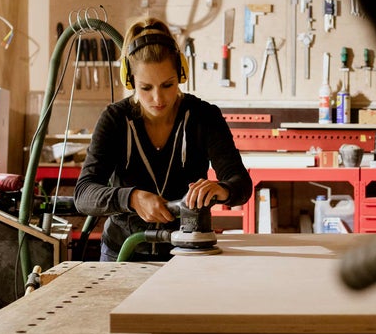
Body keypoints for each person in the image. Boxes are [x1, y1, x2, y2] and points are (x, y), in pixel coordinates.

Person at [74, 17, 252, 261]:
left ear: (181, 73)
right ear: (130, 80)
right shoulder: (115, 120)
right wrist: (132, 198)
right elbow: (84, 194)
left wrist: (221, 189)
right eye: (146, 88)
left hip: (185, 253)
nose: (158, 98)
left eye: (167, 85)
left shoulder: (203, 116)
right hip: (123, 252)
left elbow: (241, 184)